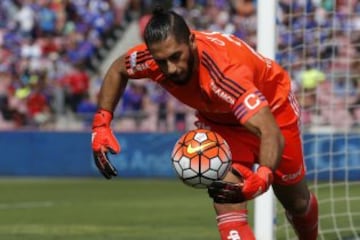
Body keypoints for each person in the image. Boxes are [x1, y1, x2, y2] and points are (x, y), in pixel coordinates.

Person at [91, 7, 318, 240]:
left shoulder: (224, 73)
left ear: (191, 41)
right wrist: (101, 123)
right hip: (220, 123)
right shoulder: (151, 59)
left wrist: (263, 176)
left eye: (176, 57)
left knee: (297, 203)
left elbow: (269, 130)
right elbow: (119, 68)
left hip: (274, 112)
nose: (171, 68)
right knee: (226, 198)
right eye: (162, 61)